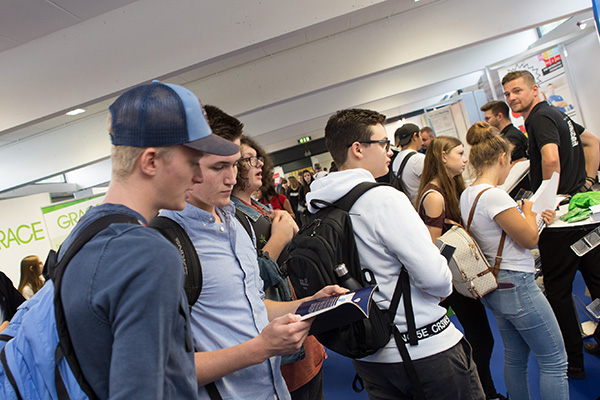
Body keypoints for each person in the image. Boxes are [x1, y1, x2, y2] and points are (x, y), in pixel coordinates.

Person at [58, 81, 240, 399]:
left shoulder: (82, 236)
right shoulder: (148, 254)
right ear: (151, 161)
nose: (198, 176)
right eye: (191, 161)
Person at [160, 105, 343, 399]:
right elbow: (165, 369)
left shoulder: (238, 223)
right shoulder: (163, 243)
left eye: (235, 165)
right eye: (219, 167)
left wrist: (311, 303)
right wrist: (260, 348)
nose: (232, 178)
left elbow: (251, 306)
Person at [308, 108, 484, 400]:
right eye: (383, 143)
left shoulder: (318, 203)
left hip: (368, 353)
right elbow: (436, 278)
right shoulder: (383, 198)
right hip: (424, 348)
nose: (389, 152)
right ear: (358, 149)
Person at [502, 70, 600, 379]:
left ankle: (574, 364)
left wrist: (546, 200)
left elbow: (551, 159)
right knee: (597, 285)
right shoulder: (558, 114)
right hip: (583, 217)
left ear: (534, 89)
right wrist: (587, 182)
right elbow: (592, 142)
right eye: (507, 94)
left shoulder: (539, 118)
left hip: (559, 225)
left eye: (517, 91)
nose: (512, 98)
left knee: (557, 294)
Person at [460, 121, 568, 400]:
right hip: (517, 283)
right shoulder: (495, 195)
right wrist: (530, 212)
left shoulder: (468, 193)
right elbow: (529, 240)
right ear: (502, 158)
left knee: (515, 357)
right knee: (555, 360)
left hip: (495, 284)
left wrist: (529, 218)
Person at [416, 135, 504, 400]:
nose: (465, 159)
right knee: (480, 339)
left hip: (457, 276)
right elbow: (431, 248)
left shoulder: (448, 188)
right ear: (443, 157)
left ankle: (485, 391)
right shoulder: (434, 196)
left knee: (480, 339)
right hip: (453, 278)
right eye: (460, 154)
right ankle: (485, 392)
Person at [391, 123, 425, 204]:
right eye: (420, 136)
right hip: (424, 205)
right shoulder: (418, 159)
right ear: (414, 136)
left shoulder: (396, 159)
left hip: (410, 206)